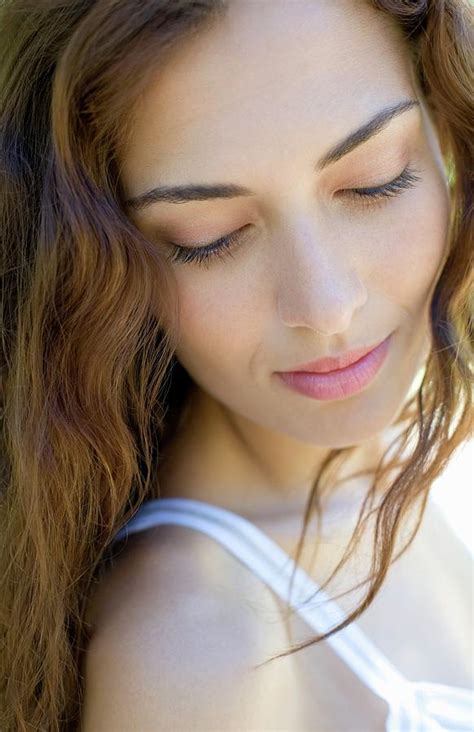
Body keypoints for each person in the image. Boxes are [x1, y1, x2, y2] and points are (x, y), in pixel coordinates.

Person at [0, 0, 472, 730]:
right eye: (209, 238)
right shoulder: (196, 649)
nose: (326, 306)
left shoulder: (435, 453)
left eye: (373, 180)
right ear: (101, 269)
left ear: (446, 128)